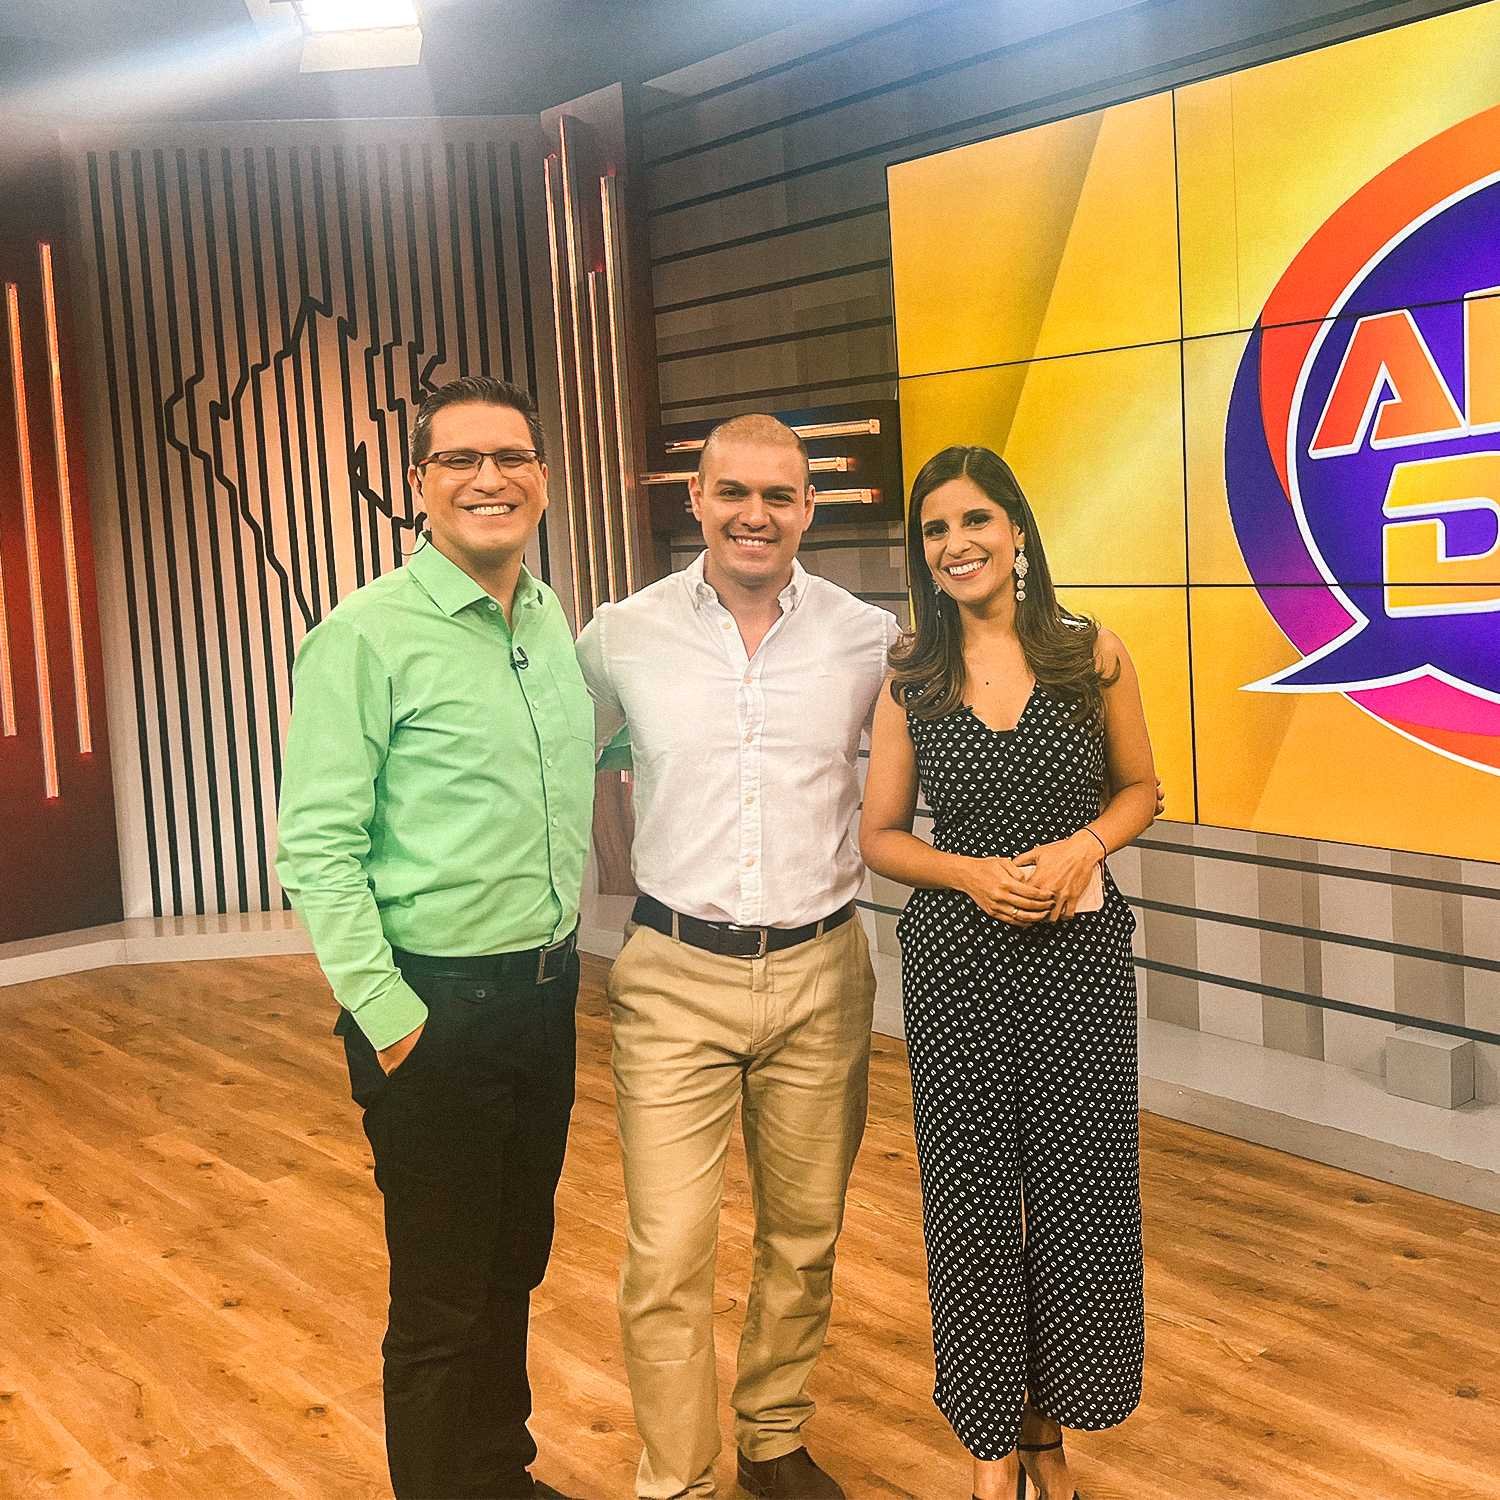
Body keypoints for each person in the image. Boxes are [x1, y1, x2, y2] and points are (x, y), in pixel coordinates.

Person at [276, 375, 592, 1500]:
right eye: (460, 459)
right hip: (435, 1011)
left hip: (547, 1001)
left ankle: (498, 1475)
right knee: (441, 1301)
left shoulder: (549, 620)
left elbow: (573, 756)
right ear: (420, 484)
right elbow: (316, 847)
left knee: (513, 1266)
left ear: (542, 477)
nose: (488, 478)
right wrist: (390, 1016)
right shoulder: (364, 635)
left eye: (510, 456)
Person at [576, 414, 901, 1500]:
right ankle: (676, 1480)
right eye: (732, 493)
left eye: (778, 495)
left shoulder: (868, 639)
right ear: (697, 500)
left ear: (809, 507)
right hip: (673, 975)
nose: (754, 515)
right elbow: (552, 760)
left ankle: (772, 1435)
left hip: (822, 972)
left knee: (805, 1236)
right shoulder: (621, 636)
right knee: (668, 1253)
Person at [859, 446, 1157, 1500]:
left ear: (1018, 531)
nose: (958, 544)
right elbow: (881, 838)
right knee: (973, 1208)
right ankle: (991, 1448)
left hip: (1080, 963)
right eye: (936, 529)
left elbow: (1140, 791)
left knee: (1080, 1203)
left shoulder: (1091, 655)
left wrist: (1086, 847)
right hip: (957, 968)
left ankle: (1049, 1437)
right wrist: (971, 875)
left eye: (976, 519)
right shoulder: (912, 677)